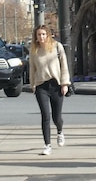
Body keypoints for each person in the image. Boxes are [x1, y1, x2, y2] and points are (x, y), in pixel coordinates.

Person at [29, 25, 71, 156]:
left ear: (48, 35)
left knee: (56, 117)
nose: (41, 37)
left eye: (43, 34)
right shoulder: (34, 50)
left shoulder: (57, 47)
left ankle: (60, 131)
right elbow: (32, 68)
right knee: (45, 116)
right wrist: (33, 84)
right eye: (39, 35)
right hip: (41, 85)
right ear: (36, 37)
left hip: (56, 84)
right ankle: (47, 145)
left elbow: (64, 65)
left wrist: (64, 83)